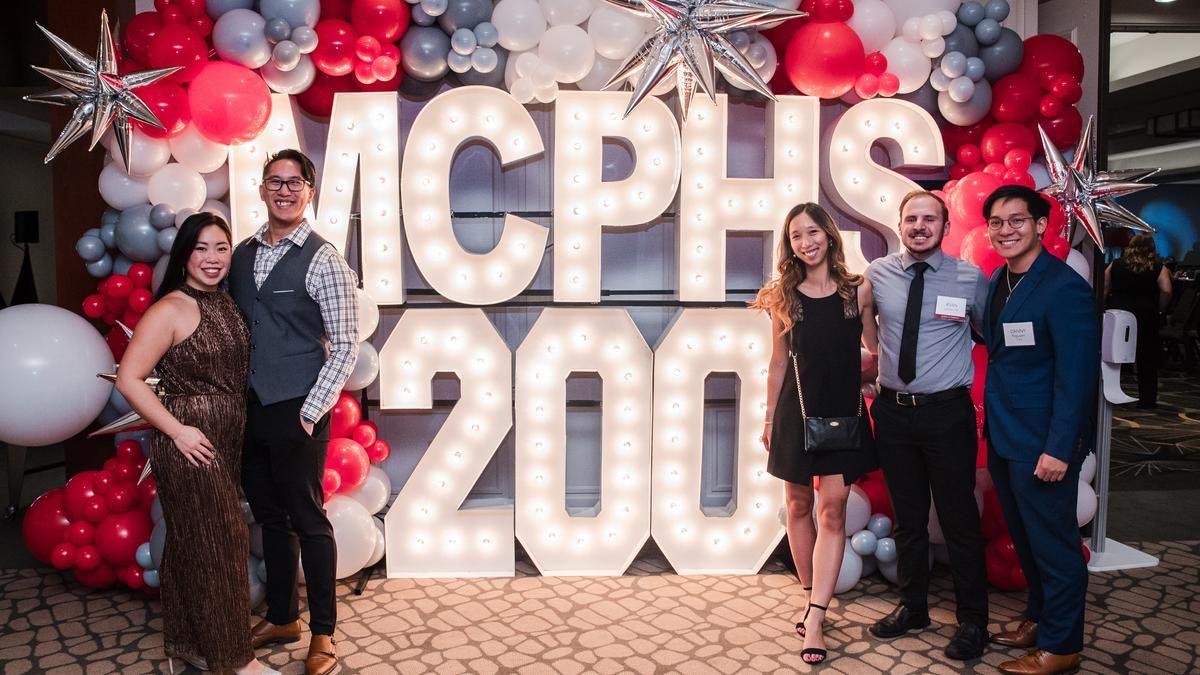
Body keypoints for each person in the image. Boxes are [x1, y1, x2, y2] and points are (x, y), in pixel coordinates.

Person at [116, 213, 277, 675]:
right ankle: (235, 662)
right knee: (223, 544)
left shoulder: (224, 303)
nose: (212, 258)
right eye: (201, 248)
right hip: (189, 445)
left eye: (221, 248)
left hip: (224, 443)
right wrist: (177, 430)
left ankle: (188, 644)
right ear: (185, 252)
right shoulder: (169, 308)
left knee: (194, 544)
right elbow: (130, 379)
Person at [229, 149, 359, 675]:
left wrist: (309, 412)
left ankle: (323, 633)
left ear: (310, 192)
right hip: (250, 409)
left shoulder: (324, 258)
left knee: (308, 520)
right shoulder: (240, 254)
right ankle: (283, 616)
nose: (284, 190)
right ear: (261, 190)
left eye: (295, 183)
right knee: (270, 518)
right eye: (274, 181)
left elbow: (347, 343)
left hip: (299, 408)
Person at [861, 190, 991, 660]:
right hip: (894, 412)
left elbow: (988, 332)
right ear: (899, 224)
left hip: (947, 414)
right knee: (908, 518)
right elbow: (866, 328)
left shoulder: (970, 277)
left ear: (944, 227)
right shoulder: (878, 275)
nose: (919, 226)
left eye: (929, 219)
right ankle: (913, 606)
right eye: (911, 218)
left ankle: (974, 621)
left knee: (959, 520)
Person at [752, 203, 878, 666]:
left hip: (843, 413)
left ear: (828, 234)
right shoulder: (784, 295)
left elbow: (873, 348)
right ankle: (810, 597)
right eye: (796, 236)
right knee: (799, 505)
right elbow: (778, 363)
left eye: (812, 232)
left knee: (833, 510)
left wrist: (869, 374)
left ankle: (818, 616)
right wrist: (768, 419)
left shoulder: (856, 291)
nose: (805, 242)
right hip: (795, 411)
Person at [981, 185, 1099, 675]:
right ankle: (1038, 617)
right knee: (1028, 542)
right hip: (1008, 438)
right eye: (997, 223)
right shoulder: (998, 281)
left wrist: (1059, 449)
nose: (1006, 230)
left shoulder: (1065, 286)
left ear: (1040, 226)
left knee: (1055, 548)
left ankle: (1062, 646)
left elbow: (1077, 377)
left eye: (1017, 221)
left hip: (1044, 445)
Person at [1105, 234, 1172, 407]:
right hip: (1146, 314)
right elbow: (1166, 290)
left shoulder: (1116, 264)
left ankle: (1108, 394)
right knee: (1147, 359)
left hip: (1118, 313)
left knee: (1111, 356)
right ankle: (1147, 400)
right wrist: (1160, 309)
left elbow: (1105, 286)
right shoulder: (1158, 267)